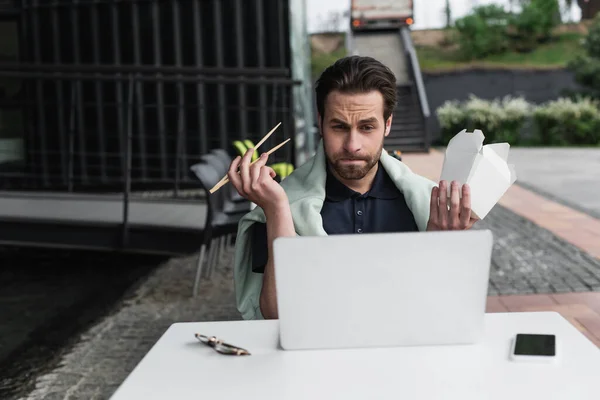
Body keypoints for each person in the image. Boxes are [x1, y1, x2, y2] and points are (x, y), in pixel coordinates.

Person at [227, 56, 478, 320]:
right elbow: (277, 315)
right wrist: (277, 211)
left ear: (387, 124)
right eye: (339, 127)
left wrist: (440, 241)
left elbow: (444, 309)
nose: (352, 145)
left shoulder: (428, 203)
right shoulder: (281, 200)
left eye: (367, 127)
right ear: (321, 122)